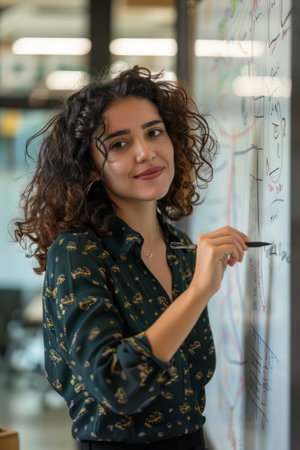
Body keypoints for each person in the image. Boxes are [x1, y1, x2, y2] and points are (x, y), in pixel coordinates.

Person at [13, 66, 249, 450]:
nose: (146, 152)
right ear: (91, 166)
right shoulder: (77, 252)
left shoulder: (182, 249)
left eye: (154, 132)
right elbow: (114, 383)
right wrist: (199, 293)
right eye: (119, 144)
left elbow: (188, 389)